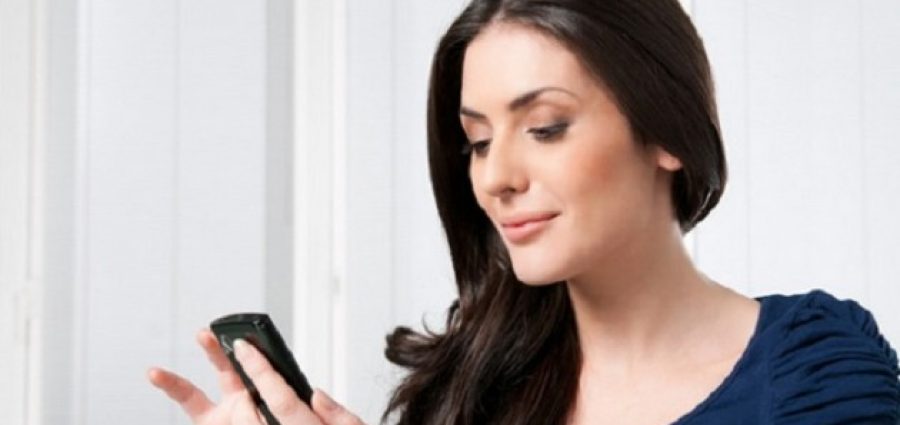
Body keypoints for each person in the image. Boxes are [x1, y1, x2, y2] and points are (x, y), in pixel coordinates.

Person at [148, 0, 900, 423]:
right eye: (477, 141)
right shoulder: (468, 389)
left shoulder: (815, 370)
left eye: (544, 127)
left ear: (666, 132)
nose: (496, 177)